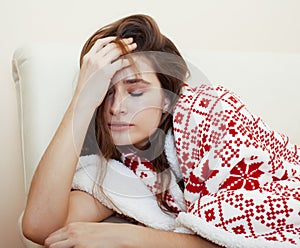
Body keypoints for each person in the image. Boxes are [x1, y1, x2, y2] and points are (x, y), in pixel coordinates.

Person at [22, 14, 300, 248]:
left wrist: (130, 236)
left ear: (166, 98)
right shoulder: (123, 167)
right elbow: (39, 226)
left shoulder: (207, 111)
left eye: (136, 91)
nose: (116, 107)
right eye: (105, 93)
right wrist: (81, 101)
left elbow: (239, 236)